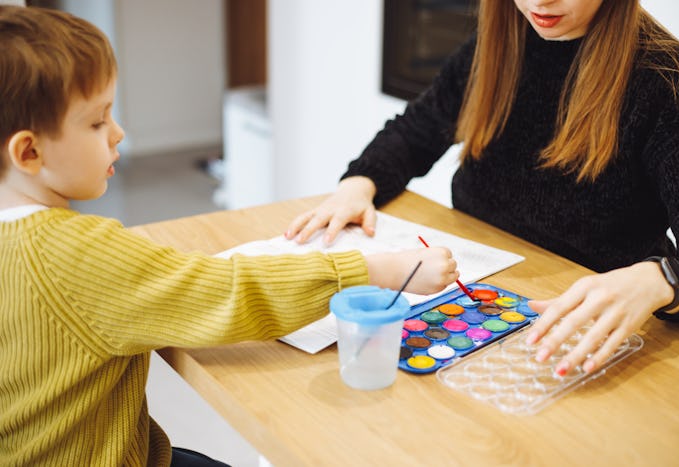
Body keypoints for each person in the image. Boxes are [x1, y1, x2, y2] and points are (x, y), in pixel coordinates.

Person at [0, 6, 460, 466]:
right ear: (30, 150)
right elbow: (232, 293)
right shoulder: (78, 256)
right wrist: (378, 269)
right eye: (98, 121)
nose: (118, 132)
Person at [286, 0, 679, 378]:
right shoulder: (500, 41)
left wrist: (659, 280)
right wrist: (359, 183)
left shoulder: (670, 82)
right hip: (475, 300)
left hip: (580, 330)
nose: (540, 1)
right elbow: (417, 130)